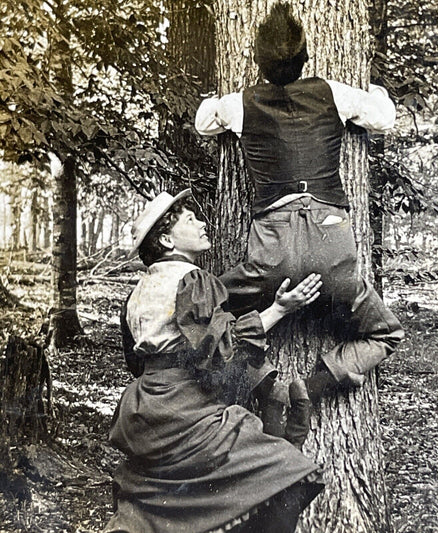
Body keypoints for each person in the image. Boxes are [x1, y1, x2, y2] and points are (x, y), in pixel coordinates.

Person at [195, 2, 404, 402]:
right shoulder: (333, 93)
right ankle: (317, 384)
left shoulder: (240, 103)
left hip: (271, 253)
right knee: (386, 332)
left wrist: (215, 99)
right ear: (306, 57)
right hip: (331, 243)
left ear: (257, 61)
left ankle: (266, 386)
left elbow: (204, 123)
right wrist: (375, 90)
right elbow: (383, 118)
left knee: (205, 311)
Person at [104, 189, 325, 533]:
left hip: (143, 407)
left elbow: (136, 361)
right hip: (184, 408)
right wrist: (280, 308)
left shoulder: (137, 292)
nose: (203, 224)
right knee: (289, 473)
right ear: (166, 239)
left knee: (160, 500)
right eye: (190, 220)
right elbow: (223, 351)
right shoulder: (192, 280)